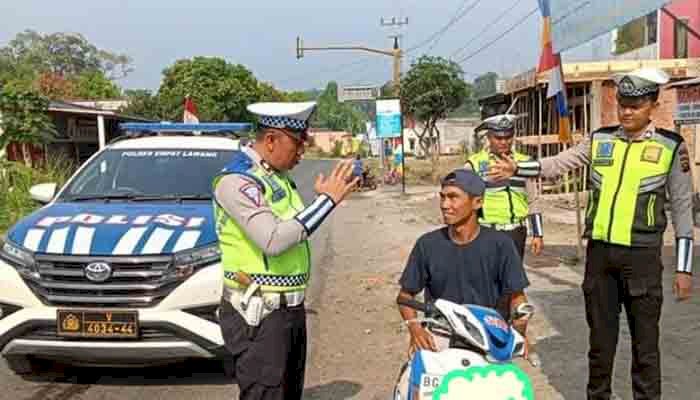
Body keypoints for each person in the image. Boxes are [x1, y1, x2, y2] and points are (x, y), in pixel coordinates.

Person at [488, 68, 694, 400]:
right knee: (600, 344)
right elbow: (560, 163)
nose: (626, 112)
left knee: (645, 346)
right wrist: (518, 168)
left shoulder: (671, 148)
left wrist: (684, 268)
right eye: (622, 104)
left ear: (653, 105)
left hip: (641, 257)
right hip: (600, 258)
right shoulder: (600, 140)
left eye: (635, 105)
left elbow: (684, 211)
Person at [212, 101, 359, 400]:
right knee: (265, 394)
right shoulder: (237, 181)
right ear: (270, 140)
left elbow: (294, 228)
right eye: (297, 143)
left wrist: (319, 201)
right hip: (258, 316)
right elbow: (274, 240)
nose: (302, 152)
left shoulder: (276, 178)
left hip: (288, 311)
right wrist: (325, 202)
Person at [396, 168, 531, 355]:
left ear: (477, 202)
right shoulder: (427, 245)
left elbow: (518, 298)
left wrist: (519, 333)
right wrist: (415, 329)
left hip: (488, 337)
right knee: (412, 380)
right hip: (440, 335)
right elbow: (405, 297)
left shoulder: (501, 245)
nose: (444, 204)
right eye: (442, 197)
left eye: (453, 197)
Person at [465, 114, 544, 260]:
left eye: (508, 137)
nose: (504, 142)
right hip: (485, 231)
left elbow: (533, 199)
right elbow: (464, 200)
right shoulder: (474, 164)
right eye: (498, 138)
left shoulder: (525, 163)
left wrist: (538, 234)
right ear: (489, 137)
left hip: (516, 232)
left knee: (512, 279)